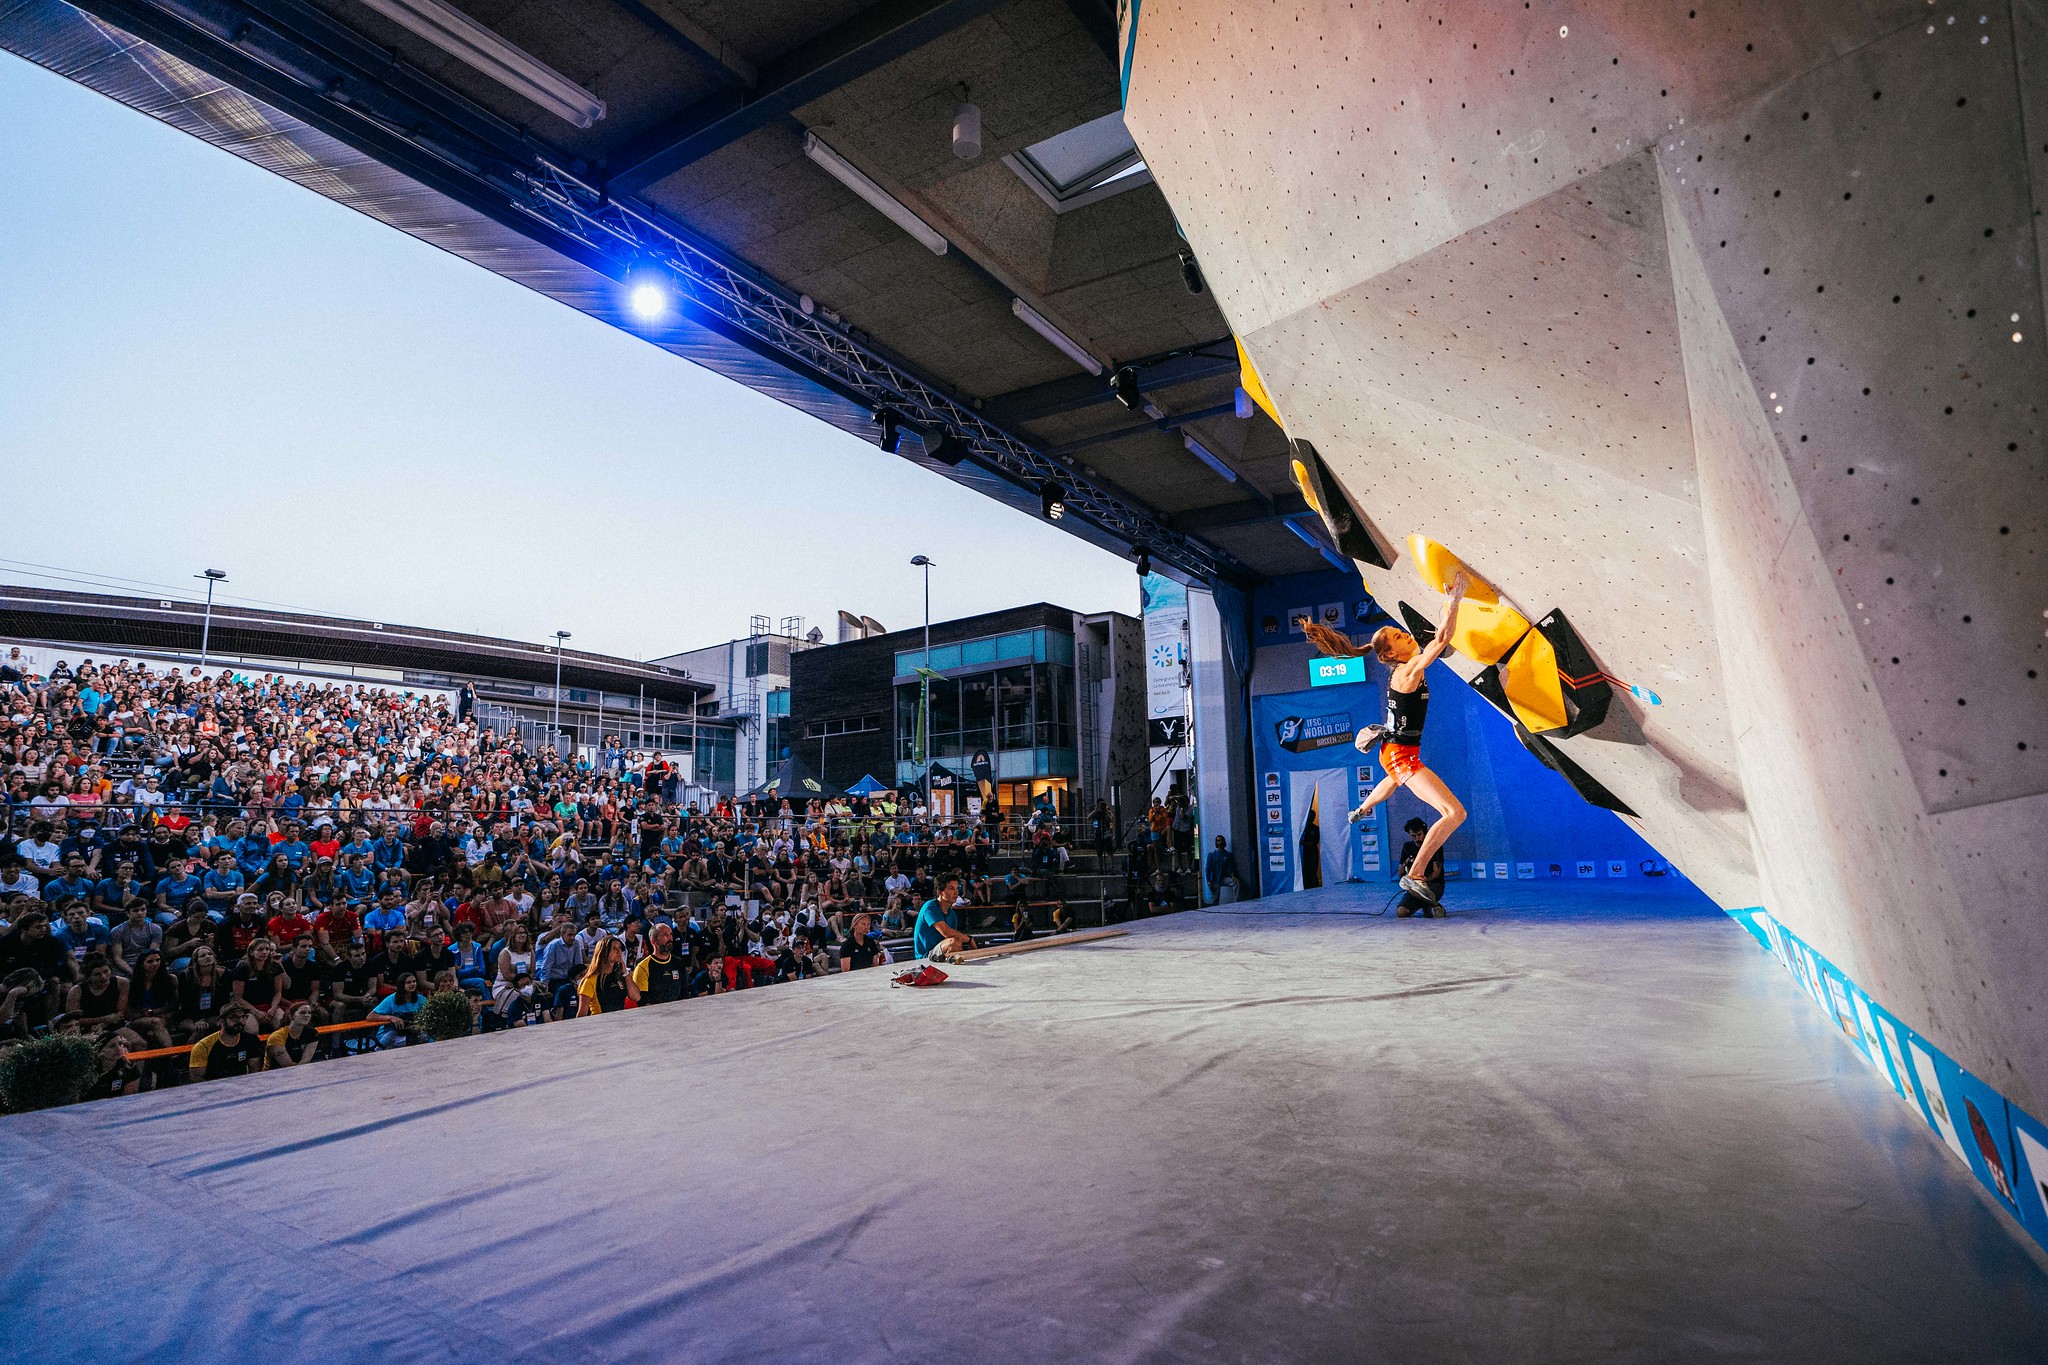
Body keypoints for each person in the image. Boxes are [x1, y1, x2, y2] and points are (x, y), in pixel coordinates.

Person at [1310, 570, 1471, 906]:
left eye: (1400, 631)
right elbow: (1440, 642)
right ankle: (1415, 874)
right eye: (1399, 636)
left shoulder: (1406, 668)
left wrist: (1447, 606)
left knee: (1397, 782)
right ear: (1391, 654)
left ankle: (1361, 809)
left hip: (1395, 749)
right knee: (1454, 813)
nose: (1405, 634)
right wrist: (1454, 600)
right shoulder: (1408, 671)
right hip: (1400, 753)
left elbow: (1438, 639)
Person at [189, 1003, 264, 1082]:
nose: (240, 1021)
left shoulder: (251, 1040)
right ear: (221, 1021)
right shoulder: (203, 1046)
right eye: (235, 1017)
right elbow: (196, 1078)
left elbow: (255, 1072)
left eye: (243, 1017)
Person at [913, 874, 974, 963]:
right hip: (926, 955)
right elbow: (947, 933)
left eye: (957, 888)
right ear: (939, 892)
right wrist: (969, 939)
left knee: (956, 942)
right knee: (954, 943)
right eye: (951, 888)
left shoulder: (952, 914)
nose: (956, 892)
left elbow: (954, 936)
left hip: (941, 949)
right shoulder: (929, 907)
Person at [1395, 817, 1447, 919]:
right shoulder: (1407, 847)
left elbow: (1436, 873)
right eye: (1413, 836)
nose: (1417, 838)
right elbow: (1399, 873)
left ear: (1425, 833)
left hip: (1434, 885)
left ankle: (1435, 905)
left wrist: (1420, 883)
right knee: (1401, 912)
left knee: (1416, 890)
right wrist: (1406, 862)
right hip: (1414, 888)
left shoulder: (1435, 846)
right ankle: (1427, 904)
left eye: (1419, 835)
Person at [576, 934, 637, 1016]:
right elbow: (581, 1014)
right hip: (601, 1023)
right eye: (614, 948)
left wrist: (625, 972)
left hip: (621, 1022)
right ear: (604, 951)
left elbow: (636, 997)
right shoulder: (590, 980)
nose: (619, 951)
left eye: (619, 948)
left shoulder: (620, 975)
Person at [630, 922, 687, 1006]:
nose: (670, 938)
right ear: (654, 941)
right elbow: (643, 1002)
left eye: (670, 934)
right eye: (665, 935)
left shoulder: (679, 963)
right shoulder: (643, 967)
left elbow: (684, 993)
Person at [267, 1001, 325, 1067]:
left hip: (300, 1069)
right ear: (291, 1016)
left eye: (309, 1013)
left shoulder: (312, 1032)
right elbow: (287, 1065)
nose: (307, 1015)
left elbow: (306, 1059)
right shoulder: (277, 1037)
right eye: (302, 1013)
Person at [1203, 834, 1242, 906]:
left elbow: (1231, 867)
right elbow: (1207, 869)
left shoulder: (1228, 855)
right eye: (1218, 841)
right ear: (1216, 843)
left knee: (1236, 883)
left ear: (1224, 842)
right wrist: (1209, 882)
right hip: (1215, 880)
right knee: (1214, 900)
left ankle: (1236, 903)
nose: (1220, 842)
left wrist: (1233, 876)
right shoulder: (1212, 855)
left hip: (1225, 878)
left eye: (1221, 840)